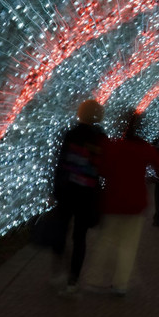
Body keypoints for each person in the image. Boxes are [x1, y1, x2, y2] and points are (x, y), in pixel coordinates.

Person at [87, 110, 159, 295]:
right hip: (135, 202)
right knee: (128, 245)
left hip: (113, 200)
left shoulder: (113, 146)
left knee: (105, 241)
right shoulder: (145, 148)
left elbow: (101, 169)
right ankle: (121, 284)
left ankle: (94, 278)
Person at [51, 99, 107, 296]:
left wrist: (55, 189)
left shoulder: (71, 133)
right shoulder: (101, 137)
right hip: (88, 193)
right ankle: (72, 282)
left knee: (61, 230)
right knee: (79, 237)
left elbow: (61, 162)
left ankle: (60, 268)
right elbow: (103, 166)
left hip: (68, 190)